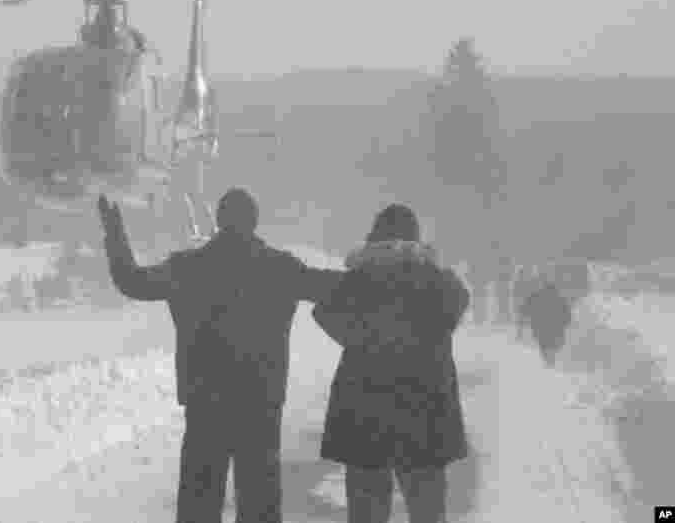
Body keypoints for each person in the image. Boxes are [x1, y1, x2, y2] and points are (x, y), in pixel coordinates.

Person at [97, 188, 345, 523]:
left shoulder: (186, 267)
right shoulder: (280, 267)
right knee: (260, 505)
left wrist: (114, 233)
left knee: (198, 505)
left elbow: (132, 281)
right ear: (255, 222)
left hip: (205, 403)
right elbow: (333, 286)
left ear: (219, 220)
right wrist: (384, 267)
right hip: (261, 403)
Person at [311, 204, 470, 523]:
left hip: (364, 413)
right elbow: (457, 300)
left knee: (367, 512)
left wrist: (359, 337)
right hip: (426, 412)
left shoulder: (358, 279)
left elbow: (324, 311)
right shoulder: (435, 280)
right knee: (427, 511)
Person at [525, 275, 573, 368]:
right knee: (553, 345)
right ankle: (550, 360)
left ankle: (548, 360)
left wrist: (527, 317)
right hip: (556, 329)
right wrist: (566, 322)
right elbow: (567, 313)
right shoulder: (559, 298)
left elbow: (527, 307)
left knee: (544, 345)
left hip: (541, 328)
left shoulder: (537, 296)